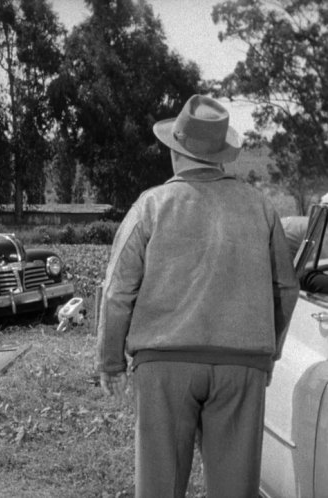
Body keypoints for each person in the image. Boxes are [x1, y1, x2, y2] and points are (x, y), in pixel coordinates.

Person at [95, 94, 299, 498]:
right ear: (222, 156)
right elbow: (286, 289)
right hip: (241, 367)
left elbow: (117, 291)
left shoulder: (151, 205)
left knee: (160, 488)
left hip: (164, 366)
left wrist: (110, 361)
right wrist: (267, 354)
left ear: (176, 153)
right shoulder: (261, 207)